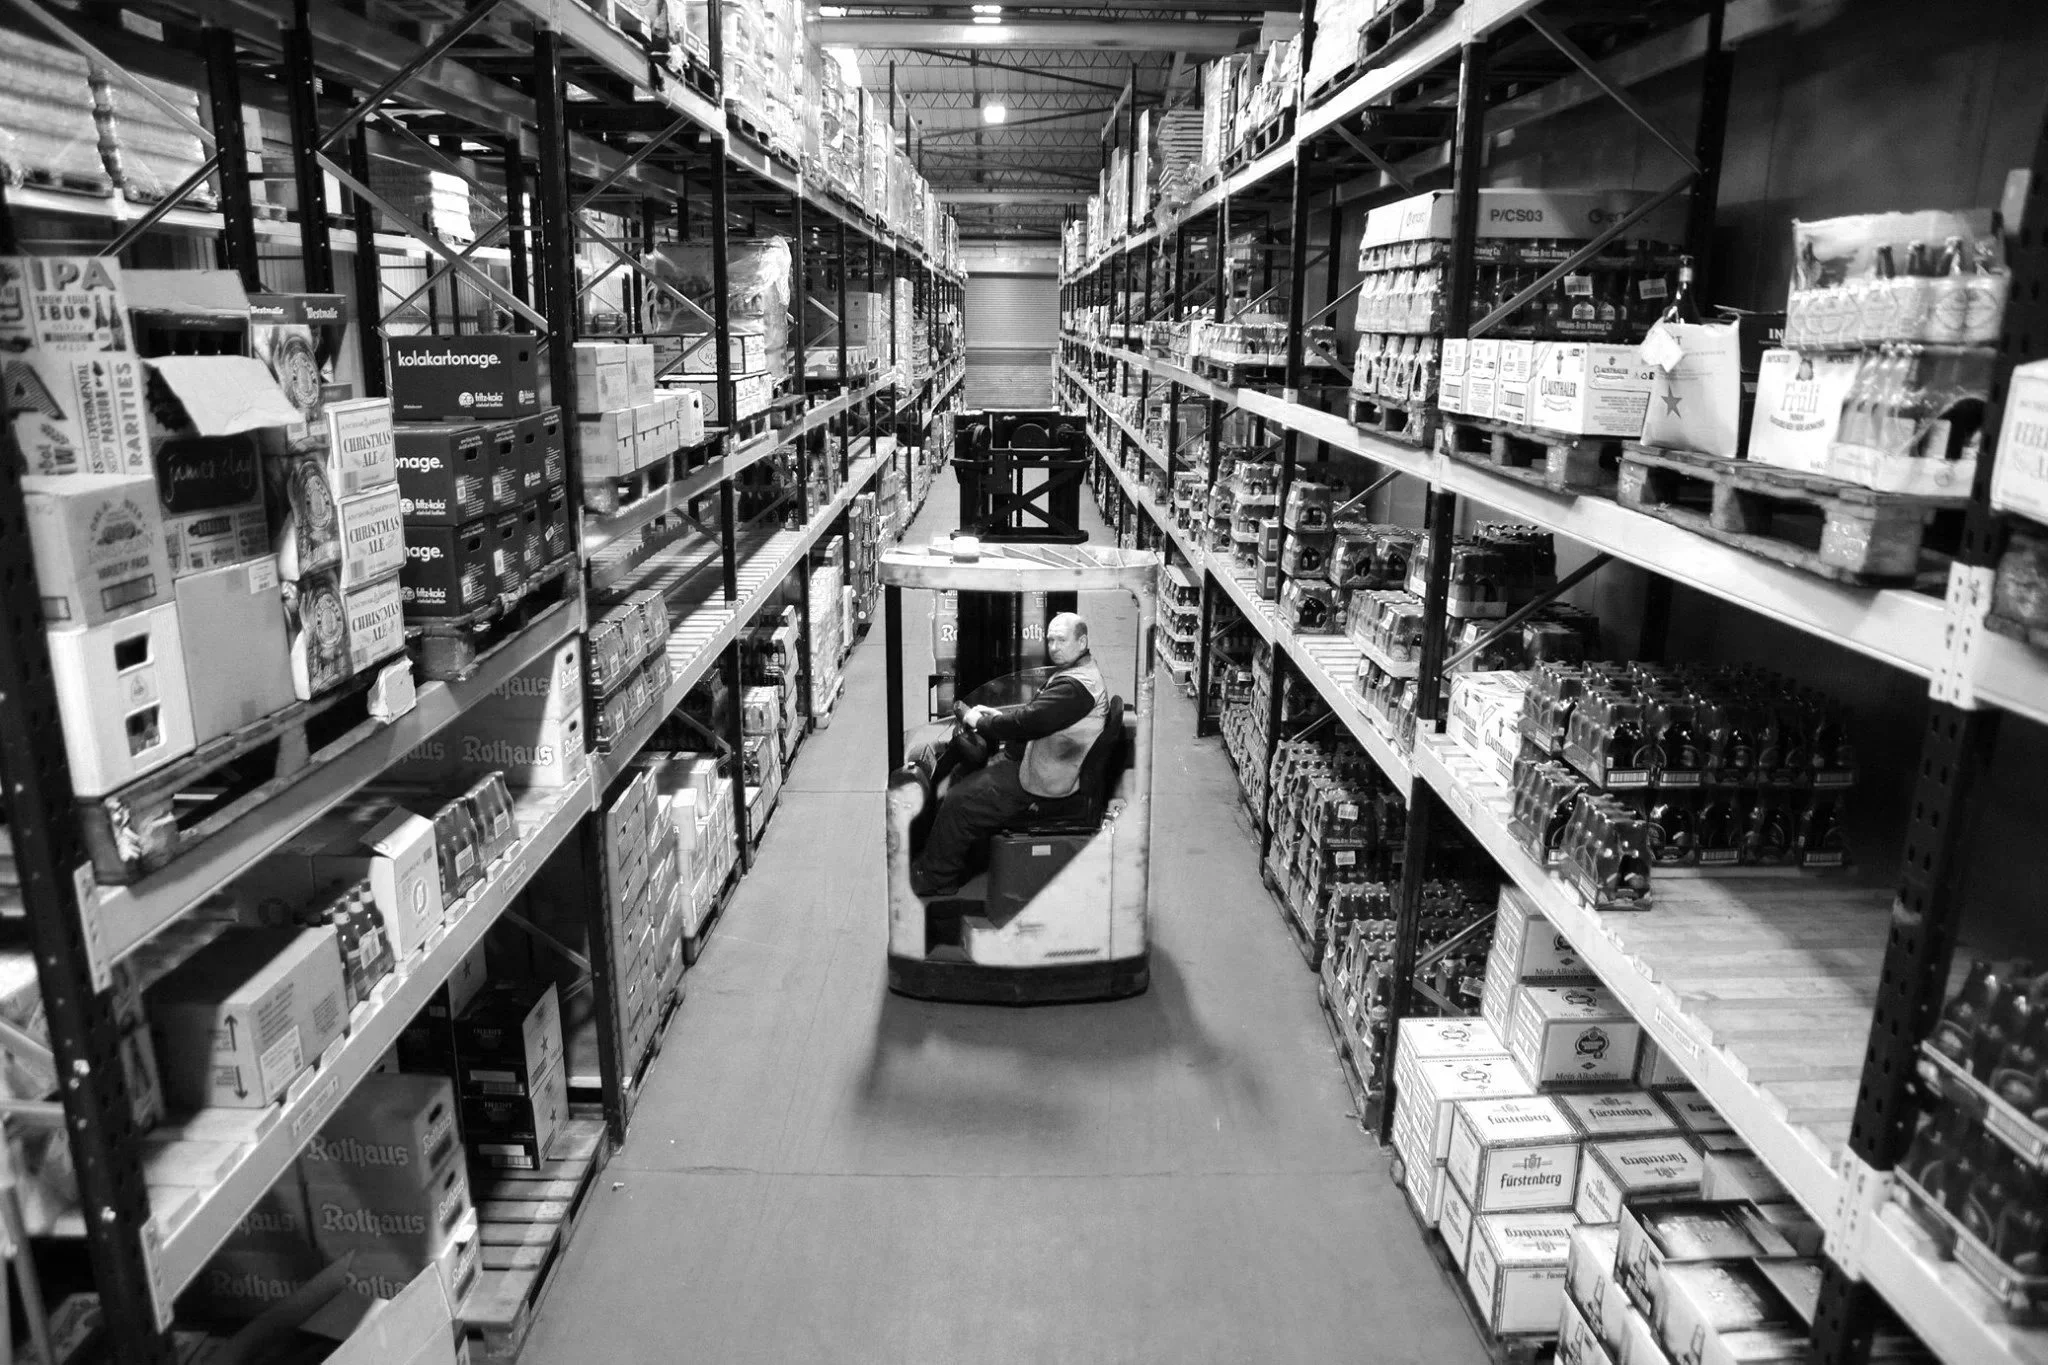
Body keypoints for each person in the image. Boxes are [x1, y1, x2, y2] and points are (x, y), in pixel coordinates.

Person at [898, 611, 1107, 898]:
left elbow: (1029, 721)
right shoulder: (1074, 673)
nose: (1054, 647)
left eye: (1061, 640)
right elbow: (1038, 712)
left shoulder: (1076, 687)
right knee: (963, 781)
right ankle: (953, 857)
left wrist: (981, 722)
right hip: (1039, 762)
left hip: (1044, 781)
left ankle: (936, 877)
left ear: (1082, 642)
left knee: (959, 801)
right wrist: (997, 716)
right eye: (1050, 640)